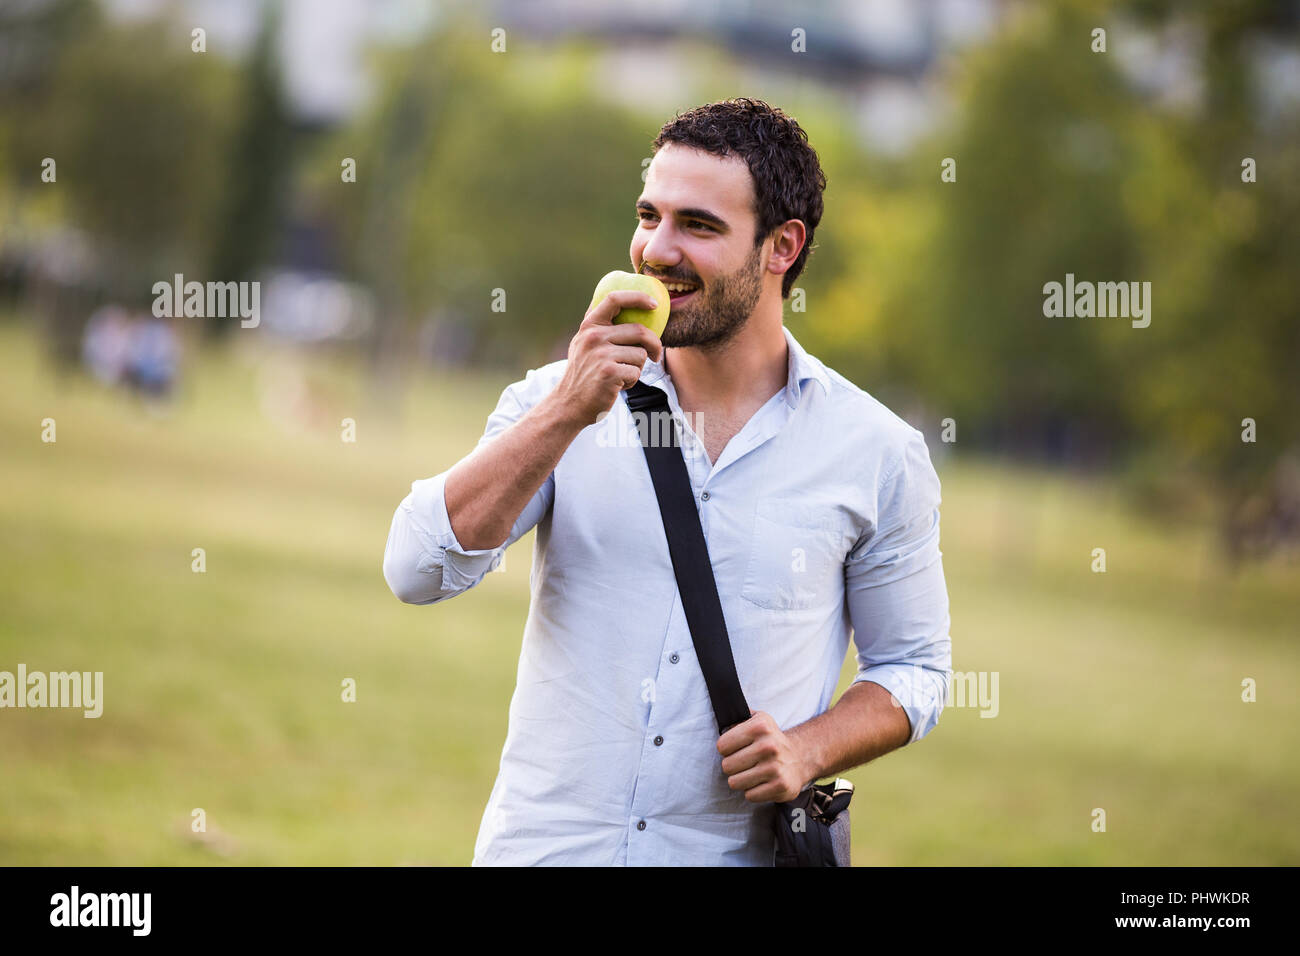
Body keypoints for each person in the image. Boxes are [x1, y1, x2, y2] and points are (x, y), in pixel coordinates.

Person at [383, 97, 952, 866]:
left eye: (698, 225)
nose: (656, 249)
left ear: (782, 246)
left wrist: (810, 748)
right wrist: (564, 414)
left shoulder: (875, 452)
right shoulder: (557, 401)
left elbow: (913, 669)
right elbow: (415, 571)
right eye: (649, 215)